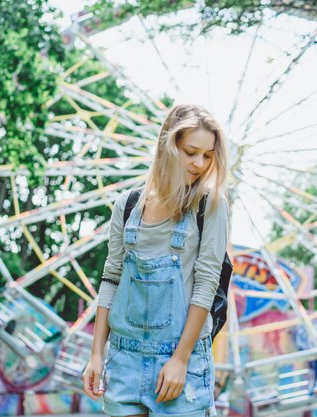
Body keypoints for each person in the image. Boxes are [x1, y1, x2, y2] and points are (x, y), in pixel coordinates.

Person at [82, 103, 230, 417]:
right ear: (168, 144)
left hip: (181, 361)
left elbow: (206, 285)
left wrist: (180, 358)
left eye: (207, 155)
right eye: (191, 151)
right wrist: (97, 353)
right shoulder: (128, 204)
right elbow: (111, 279)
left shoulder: (210, 205)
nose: (200, 163)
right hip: (124, 359)